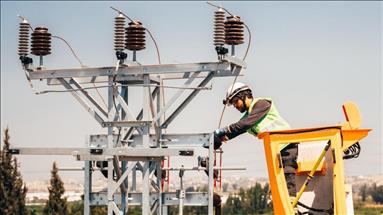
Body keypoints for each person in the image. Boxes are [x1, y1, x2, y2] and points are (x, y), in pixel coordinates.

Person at [213, 82, 298, 197]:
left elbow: (244, 124)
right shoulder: (249, 114)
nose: (235, 106)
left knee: (287, 174)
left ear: (243, 96)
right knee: (279, 180)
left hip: (287, 145)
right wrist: (218, 139)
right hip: (276, 149)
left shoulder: (262, 104)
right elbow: (238, 129)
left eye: (235, 102)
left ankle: (291, 205)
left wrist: (223, 130)